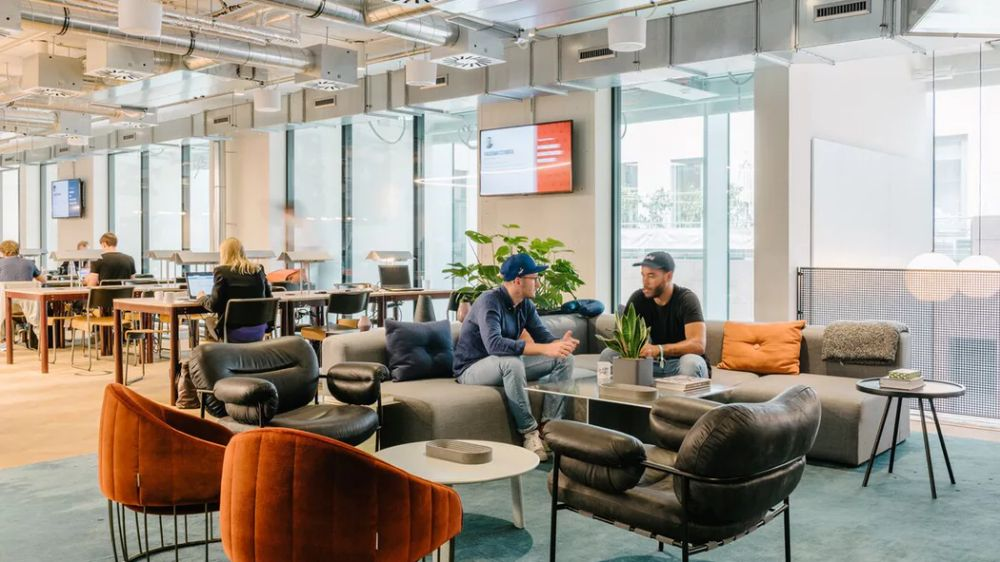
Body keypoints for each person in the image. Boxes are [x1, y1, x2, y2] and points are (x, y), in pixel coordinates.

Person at [453, 253, 579, 461]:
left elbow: (543, 337)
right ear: (518, 280)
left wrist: (559, 344)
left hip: (501, 364)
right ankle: (529, 434)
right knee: (512, 362)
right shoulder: (489, 301)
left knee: (565, 358)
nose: (538, 283)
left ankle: (548, 428)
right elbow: (494, 345)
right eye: (534, 278)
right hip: (471, 368)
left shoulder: (525, 305)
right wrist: (544, 349)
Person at [601, 251, 708, 378]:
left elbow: (698, 344)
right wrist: (634, 349)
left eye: (651, 276)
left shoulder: (686, 299)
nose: (645, 281)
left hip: (679, 363)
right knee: (608, 354)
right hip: (651, 363)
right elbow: (625, 339)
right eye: (643, 275)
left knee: (690, 363)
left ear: (668, 276)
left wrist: (659, 349)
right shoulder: (638, 299)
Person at [198, 237, 272, 342]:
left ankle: (219, 351)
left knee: (209, 320)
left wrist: (202, 298)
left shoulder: (221, 271)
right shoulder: (258, 270)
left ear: (224, 254)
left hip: (234, 332)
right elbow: (269, 299)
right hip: (259, 330)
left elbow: (214, 306)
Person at [0, 240, 45, 350]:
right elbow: (43, 281)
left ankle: (4, 341)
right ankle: (41, 343)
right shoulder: (30, 263)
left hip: (5, 306)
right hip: (28, 308)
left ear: (3, 251)